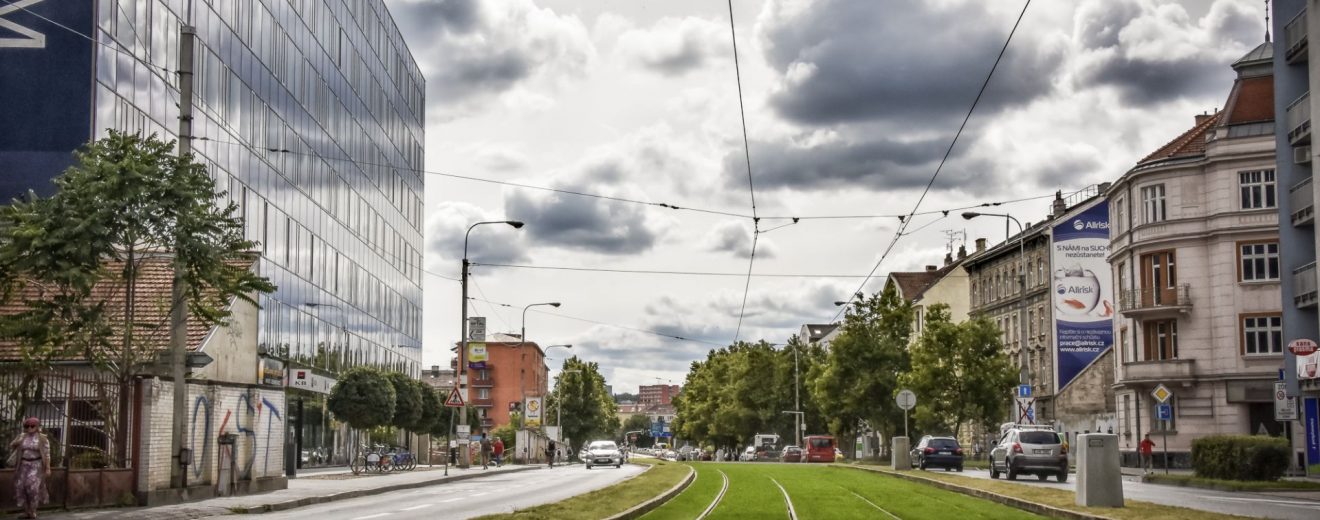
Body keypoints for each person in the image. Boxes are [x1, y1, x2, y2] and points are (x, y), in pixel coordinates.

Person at [9, 417, 51, 519]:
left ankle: (33, 511)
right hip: (23, 465)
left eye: (32, 426)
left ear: (37, 427)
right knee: (21, 487)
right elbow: (11, 445)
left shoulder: (42, 438)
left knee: (32, 488)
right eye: (27, 426)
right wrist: (17, 442)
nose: (29, 428)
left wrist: (48, 468)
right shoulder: (22, 436)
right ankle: (26, 511)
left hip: (36, 466)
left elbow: (47, 454)